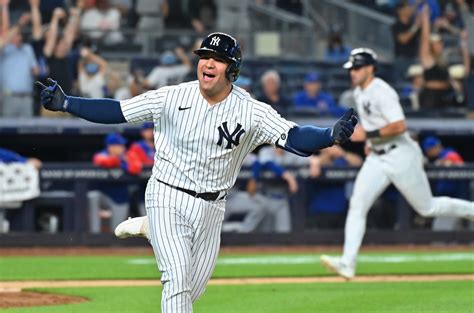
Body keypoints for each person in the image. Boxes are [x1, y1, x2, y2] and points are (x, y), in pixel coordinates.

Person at [36, 32, 357, 312]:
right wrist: (68, 104)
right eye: (205, 57)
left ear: (232, 68)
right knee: (175, 282)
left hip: (212, 207)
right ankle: (159, 223)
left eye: (217, 59)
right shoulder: (172, 96)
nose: (208, 63)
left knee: (191, 290)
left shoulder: (252, 112)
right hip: (167, 193)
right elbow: (118, 111)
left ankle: (152, 228)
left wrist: (330, 136)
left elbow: (294, 136)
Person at [319, 47, 474, 280]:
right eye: (352, 68)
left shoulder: (382, 91)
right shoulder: (360, 92)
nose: (353, 72)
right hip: (378, 157)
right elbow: (377, 126)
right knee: (358, 206)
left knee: (428, 208)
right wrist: (372, 142)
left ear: (371, 68)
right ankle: (347, 264)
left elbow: (400, 125)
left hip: (400, 154)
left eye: (358, 68)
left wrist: (369, 135)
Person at [88, 133, 142, 233]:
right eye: (119, 145)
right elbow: (103, 161)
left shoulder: (128, 155)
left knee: (117, 231)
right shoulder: (101, 155)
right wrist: (121, 161)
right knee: (93, 196)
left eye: (122, 145)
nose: (122, 148)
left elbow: (136, 168)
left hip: (120, 198)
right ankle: (94, 235)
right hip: (104, 196)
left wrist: (125, 162)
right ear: (110, 147)